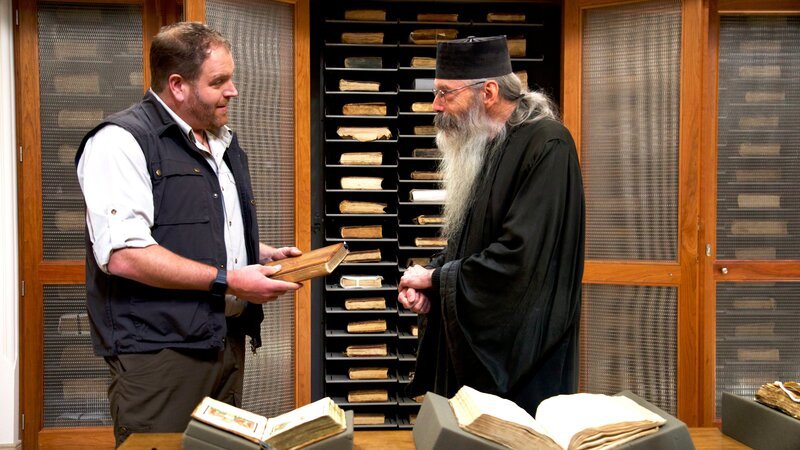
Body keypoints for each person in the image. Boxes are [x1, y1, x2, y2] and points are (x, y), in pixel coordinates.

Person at [76, 22, 301, 446]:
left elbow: (194, 226)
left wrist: (258, 253)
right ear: (177, 85)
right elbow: (125, 253)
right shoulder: (120, 142)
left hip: (224, 343)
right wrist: (230, 279)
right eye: (218, 82)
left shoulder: (221, 141)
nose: (232, 90)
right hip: (160, 355)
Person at [398, 36, 585, 415]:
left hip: (524, 367)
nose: (436, 106)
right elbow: (473, 246)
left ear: (488, 91)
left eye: (445, 94)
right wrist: (434, 284)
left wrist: (437, 281)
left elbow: (520, 262)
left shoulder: (548, 146)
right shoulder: (485, 142)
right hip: (481, 367)